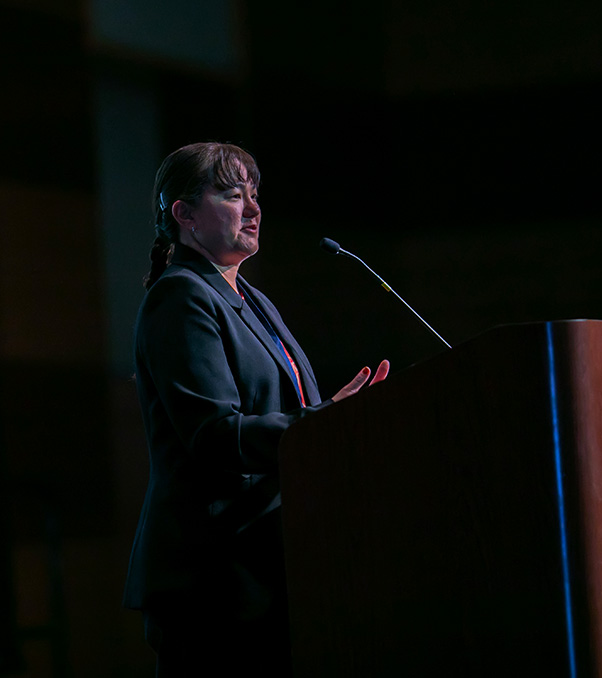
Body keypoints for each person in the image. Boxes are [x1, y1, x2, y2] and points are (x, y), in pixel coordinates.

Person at [123, 142, 389, 677]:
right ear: (185, 214)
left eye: (254, 194)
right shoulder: (181, 297)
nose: (253, 207)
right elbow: (214, 435)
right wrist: (324, 423)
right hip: (215, 578)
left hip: (271, 564)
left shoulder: (250, 297)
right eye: (230, 193)